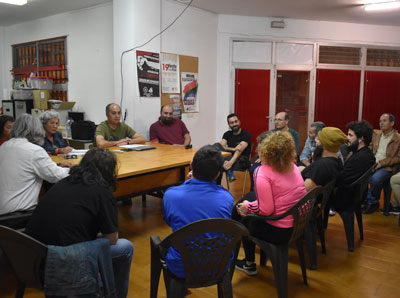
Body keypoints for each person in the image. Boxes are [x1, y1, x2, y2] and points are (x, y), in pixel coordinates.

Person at [26, 148, 133, 298]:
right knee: (126, 247)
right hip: (61, 262)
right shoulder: (103, 192)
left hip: (31, 260)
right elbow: (112, 239)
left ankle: (99, 285)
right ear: (109, 171)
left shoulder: (63, 182)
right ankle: (113, 294)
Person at [233, 131, 306, 275]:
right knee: (249, 197)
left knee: (242, 217)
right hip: (297, 224)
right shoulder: (293, 167)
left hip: (279, 230)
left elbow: (265, 210)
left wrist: (247, 207)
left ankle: (248, 263)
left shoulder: (262, 172)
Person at [162, 145, 234, 278]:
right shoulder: (227, 198)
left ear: (191, 165)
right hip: (219, 265)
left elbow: (170, 222)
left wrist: (187, 184)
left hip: (181, 266)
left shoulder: (171, 195)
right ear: (218, 174)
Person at [0, 114, 71, 221]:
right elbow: (56, 176)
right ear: (37, 130)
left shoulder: (5, 146)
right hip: (18, 215)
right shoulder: (34, 150)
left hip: (3, 212)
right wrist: (77, 169)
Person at [331, 121, 376, 212]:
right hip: (354, 195)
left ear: (361, 139)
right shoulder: (365, 153)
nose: (347, 138)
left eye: (351, 135)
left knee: (314, 194)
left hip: (347, 198)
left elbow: (341, 180)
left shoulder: (361, 158)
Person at [363, 113, 400, 214]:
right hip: (372, 163)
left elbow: (398, 158)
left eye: (384, 121)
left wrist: (382, 163)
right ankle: (366, 200)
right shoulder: (376, 135)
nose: (381, 123)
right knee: (358, 174)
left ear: (392, 123)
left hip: (386, 167)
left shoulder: (398, 139)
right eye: (380, 121)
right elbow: (370, 149)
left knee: (375, 179)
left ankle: (372, 202)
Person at [216, 113, 251, 183]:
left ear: (239, 122)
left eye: (236, 121)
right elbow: (220, 146)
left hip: (242, 160)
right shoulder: (227, 134)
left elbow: (239, 151)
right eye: (231, 123)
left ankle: (218, 186)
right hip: (228, 159)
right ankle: (219, 185)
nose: (234, 124)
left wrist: (230, 163)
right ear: (229, 125)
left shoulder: (245, 134)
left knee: (220, 163)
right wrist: (233, 149)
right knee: (216, 148)